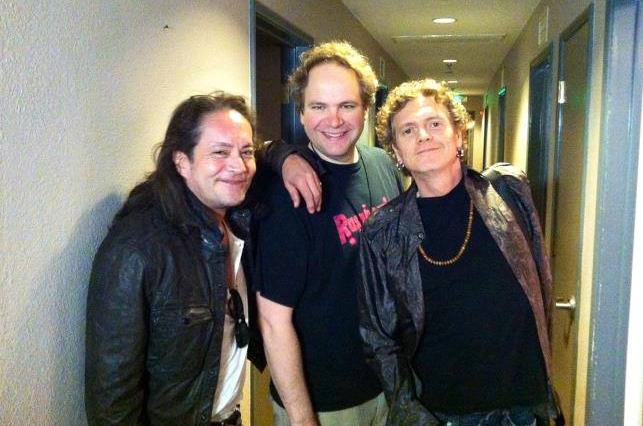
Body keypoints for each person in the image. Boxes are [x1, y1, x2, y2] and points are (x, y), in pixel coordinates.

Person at [85, 92, 320, 426]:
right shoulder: (137, 249)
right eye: (219, 152)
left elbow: (266, 152)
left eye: (245, 152)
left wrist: (286, 158)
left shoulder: (236, 217)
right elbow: (112, 398)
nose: (239, 166)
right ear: (182, 162)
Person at [358, 79, 558, 426]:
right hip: (441, 413)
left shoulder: (508, 191)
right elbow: (378, 337)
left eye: (434, 123)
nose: (423, 136)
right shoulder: (383, 231)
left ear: (459, 135)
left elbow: (541, 283)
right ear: (397, 152)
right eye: (408, 130)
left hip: (523, 409)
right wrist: (411, 412)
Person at [254, 41, 403, 426]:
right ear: (301, 114)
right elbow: (273, 322)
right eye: (319, 106)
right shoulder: (285, 196)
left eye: (347, 105)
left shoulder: (382, 165)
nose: (333, 120)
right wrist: (303, 418)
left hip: (387, 384)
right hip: (326, 403)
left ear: (366, 109)